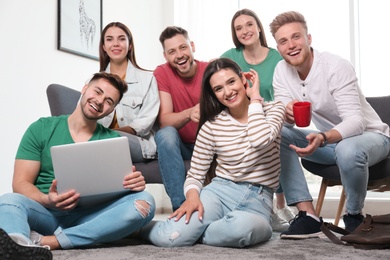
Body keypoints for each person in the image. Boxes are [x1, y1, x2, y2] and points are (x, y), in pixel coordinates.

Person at [0, 72, 156, 259]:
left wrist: (133, 185)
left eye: (109, 101)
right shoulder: (41, 128)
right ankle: (17, 245)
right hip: (45, 214)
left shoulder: (114, 141)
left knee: (145, 202)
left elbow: (120, 190)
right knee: (9, 200)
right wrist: (47, 200)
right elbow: (20, 183)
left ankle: (49, 242)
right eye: (97, 92)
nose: (99, 101)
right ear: (85, 88)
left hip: (91, 218)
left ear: (111, 110)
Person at [269, 11, 390, 238]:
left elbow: (356, 122)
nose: (291, 45)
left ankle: (354, 216)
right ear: (278, 48)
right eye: (283, 41)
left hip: (373, 137)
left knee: (347, 147)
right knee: (278, 134)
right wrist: (286, 113)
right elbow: (283, 109)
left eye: (296, 37)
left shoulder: (335, 66)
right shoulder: (281, 71)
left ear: (309, 39)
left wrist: (323, 138)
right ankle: (308, 215)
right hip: (332, 143)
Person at [141, 58, 285, 248]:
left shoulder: (274, 109)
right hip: (219, 192)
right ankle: (141, 228)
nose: (228, 92)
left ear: (244, 80)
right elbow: (195, 174)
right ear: (214, 94)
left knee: (243, 230)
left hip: (259, 200)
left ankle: (193, 233)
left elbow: (259, 139)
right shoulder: (211, 126)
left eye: (231, 82)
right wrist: (192, 197)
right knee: (169, 238)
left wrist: (255, 98)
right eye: (218, 89)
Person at [221, 8, 294, 232]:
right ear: (235, 33)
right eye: (239, 28)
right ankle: (261, 205)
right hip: (242, 121)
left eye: (249, 24)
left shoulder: (277, 57)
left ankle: (280, 204)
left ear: (259, 27)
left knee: (276, 138)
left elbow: (288, 91)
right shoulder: (229, 58)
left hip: (273, 119)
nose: (245, 31)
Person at [154, 26, 209, 211]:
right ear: (165, 56)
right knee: (165, 134)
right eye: (172, 51)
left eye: (183, 47)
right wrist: (189, 113)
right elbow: (164, 120)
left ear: (192, 46)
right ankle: (180, 207)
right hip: (183, 146)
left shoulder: (209, 70)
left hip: (209, 145)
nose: (179, 55)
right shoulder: (162, 72)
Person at [98, 22, 160, 163]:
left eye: (121, 39)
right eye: (109, 39)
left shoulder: (147, 79)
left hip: (135, 141)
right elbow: (83, 116)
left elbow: (145, 121)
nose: (115, 44)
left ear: (130, 45)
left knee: (109, 143)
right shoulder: (93, 81)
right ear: (103, 47)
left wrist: (111, 134)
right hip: (98, 140)